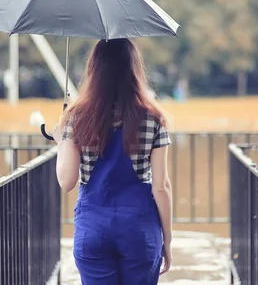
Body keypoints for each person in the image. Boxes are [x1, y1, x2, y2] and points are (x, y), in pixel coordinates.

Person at [52, 39, 173, 285]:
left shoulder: (78, 117)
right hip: (139, 229)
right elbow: (161, 187)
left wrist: (62, 141)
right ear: (134, 69)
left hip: (93, 227)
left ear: (94, 70)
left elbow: (66, 181)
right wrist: (167, 241)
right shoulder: (153, 118)